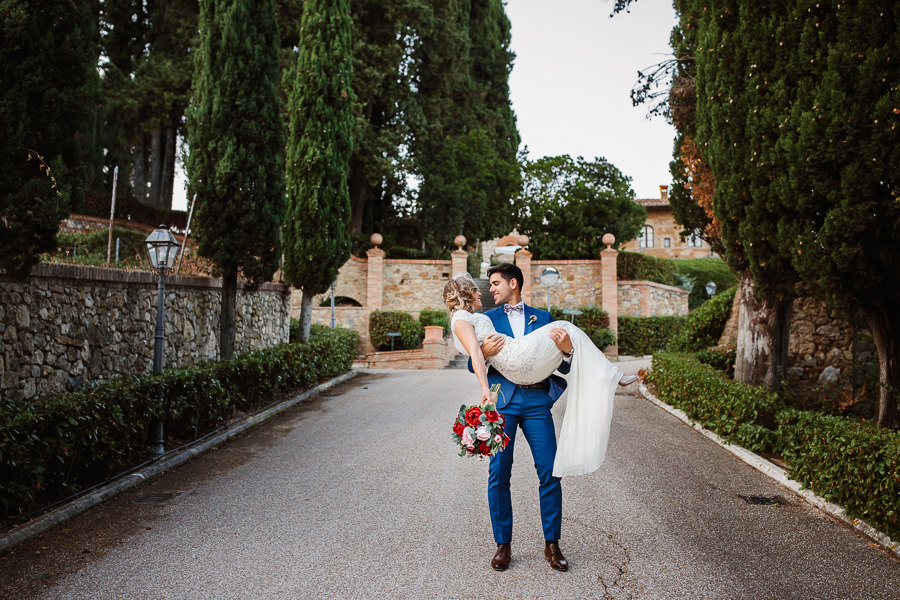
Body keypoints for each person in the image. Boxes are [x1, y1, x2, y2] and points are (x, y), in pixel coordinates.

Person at [443, 264, 637, 573]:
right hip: (503, 402)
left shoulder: (544, 318)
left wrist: (568, 350)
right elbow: (473, 362)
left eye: (497, 283)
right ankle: (503, 545)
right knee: (499, 473)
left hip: (536, 403)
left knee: (550, 471)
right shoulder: (485, 319)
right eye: (489, 284)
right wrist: (481, 348)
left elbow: (563, 366)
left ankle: (552, 545)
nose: (492, 289)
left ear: (514, 283)